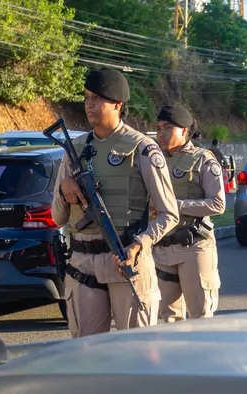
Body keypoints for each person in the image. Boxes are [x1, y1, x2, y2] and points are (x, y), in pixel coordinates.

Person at [51, 67, 179, 337]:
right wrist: (64, 189)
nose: (89, 104)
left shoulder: (142, 148)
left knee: (134, 357)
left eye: (97, 98)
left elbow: (169, 214)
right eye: (86, 98)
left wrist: (139, 245)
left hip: (125, 262)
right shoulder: (74, 150)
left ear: (118, 104)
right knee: (86, 358)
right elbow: (58, 217)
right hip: (82, 264)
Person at [152, 104, 226, 323]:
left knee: (200, 317)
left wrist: (175, 205)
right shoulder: (153, 160)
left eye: (167, 127)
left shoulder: (203, 159)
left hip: (194, 247)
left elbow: (218, 204)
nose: (161, 133)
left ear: (184, 130)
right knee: (167, 319)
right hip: (162, 247)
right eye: (158, 128)